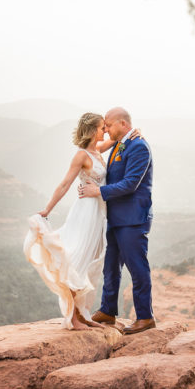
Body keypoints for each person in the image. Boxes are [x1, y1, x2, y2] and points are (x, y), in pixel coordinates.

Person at [24, 112, 115, 331]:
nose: (106, 131)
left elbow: (118, 138)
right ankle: (73, 318)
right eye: (103, 127)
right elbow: (65, 184)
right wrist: (47, 209)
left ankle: (83, 313)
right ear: (93, 130)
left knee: (92, 262)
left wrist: (133, 133)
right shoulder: (82, 155)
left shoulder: (98, 151)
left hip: (99, 214)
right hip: (85, 212)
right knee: (78, 261)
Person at [79, 106, 155, 335]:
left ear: (123, 124)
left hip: (133, 219)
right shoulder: (121, 143)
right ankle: (108, 310)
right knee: (110, 267)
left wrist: (98, 192)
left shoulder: (139, 147)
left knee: (137, 268)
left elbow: (131, 183)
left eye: (109, 125)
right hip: (114, 217)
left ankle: (145, 317)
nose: (106, 129)